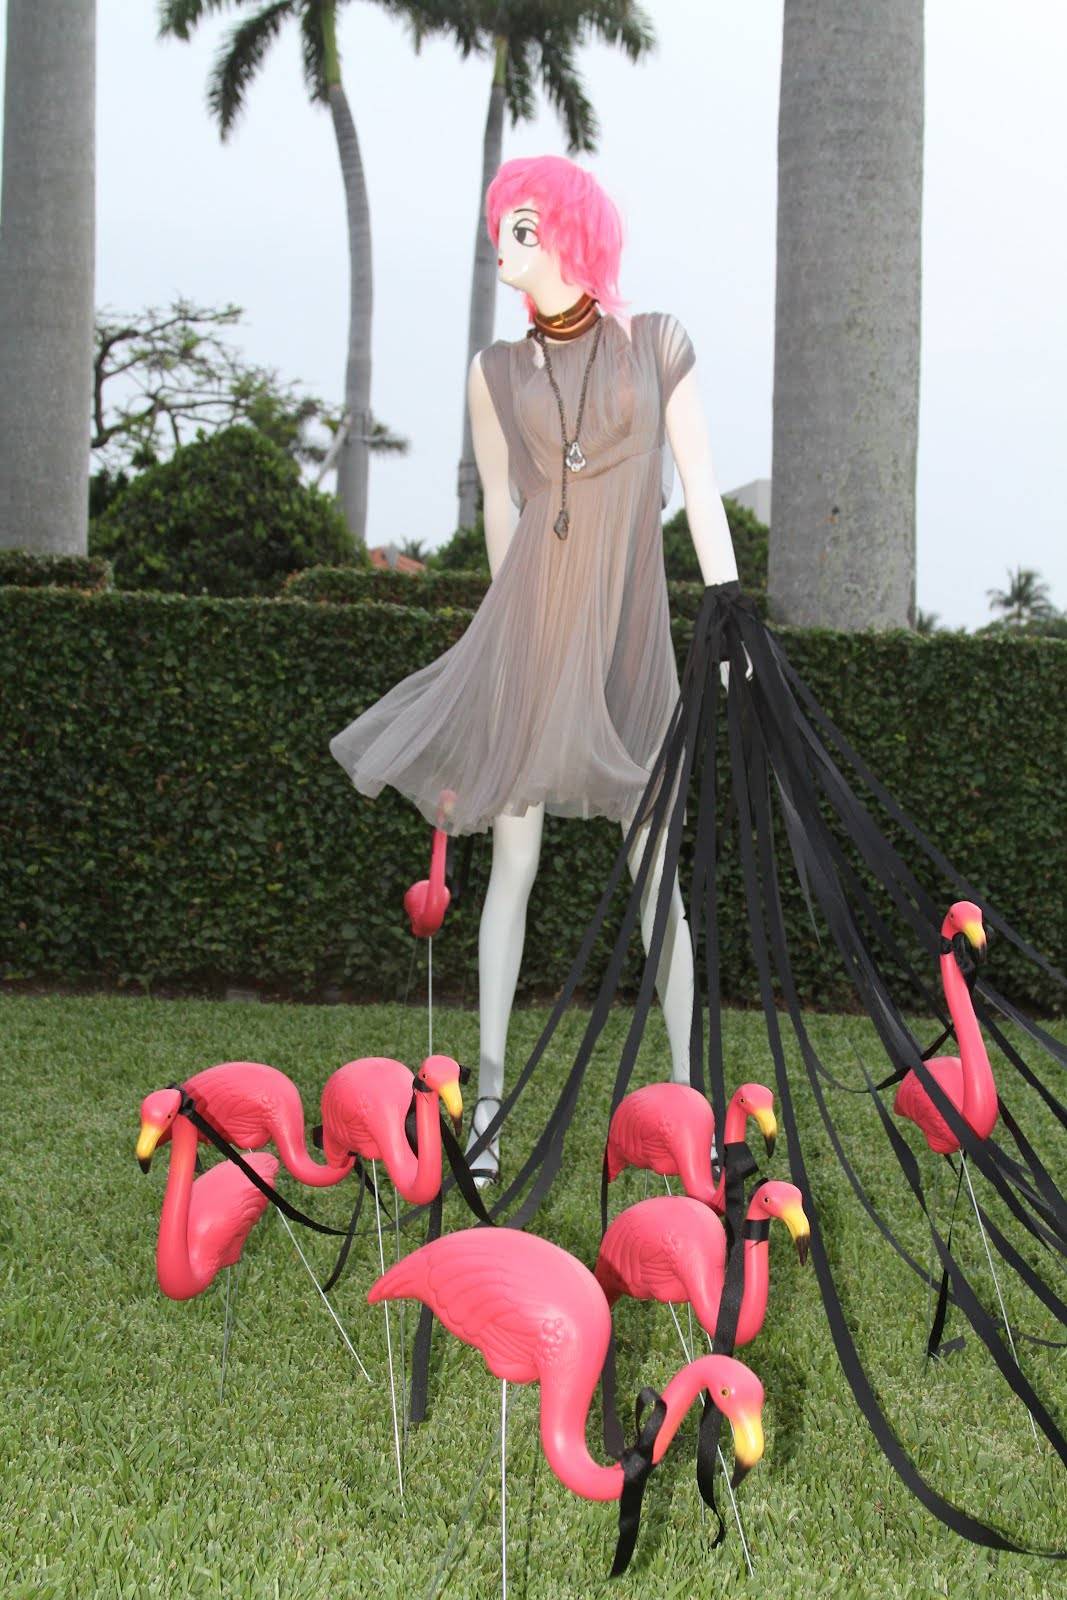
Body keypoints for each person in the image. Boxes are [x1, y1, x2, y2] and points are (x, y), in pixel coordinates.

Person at [329, 154, 740, 1184]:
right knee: (511, 862)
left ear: (568, 231)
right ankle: (487, 1105)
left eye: (521, 224)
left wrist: (729, 605)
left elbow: (699, 488)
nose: (502, 243)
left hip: (628, 645)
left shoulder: (655, 347)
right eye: (498, 226)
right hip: (533, 639)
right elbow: (502, 523)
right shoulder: (494, 374)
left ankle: (691, 1104)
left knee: (657, 872)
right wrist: (504, 653)